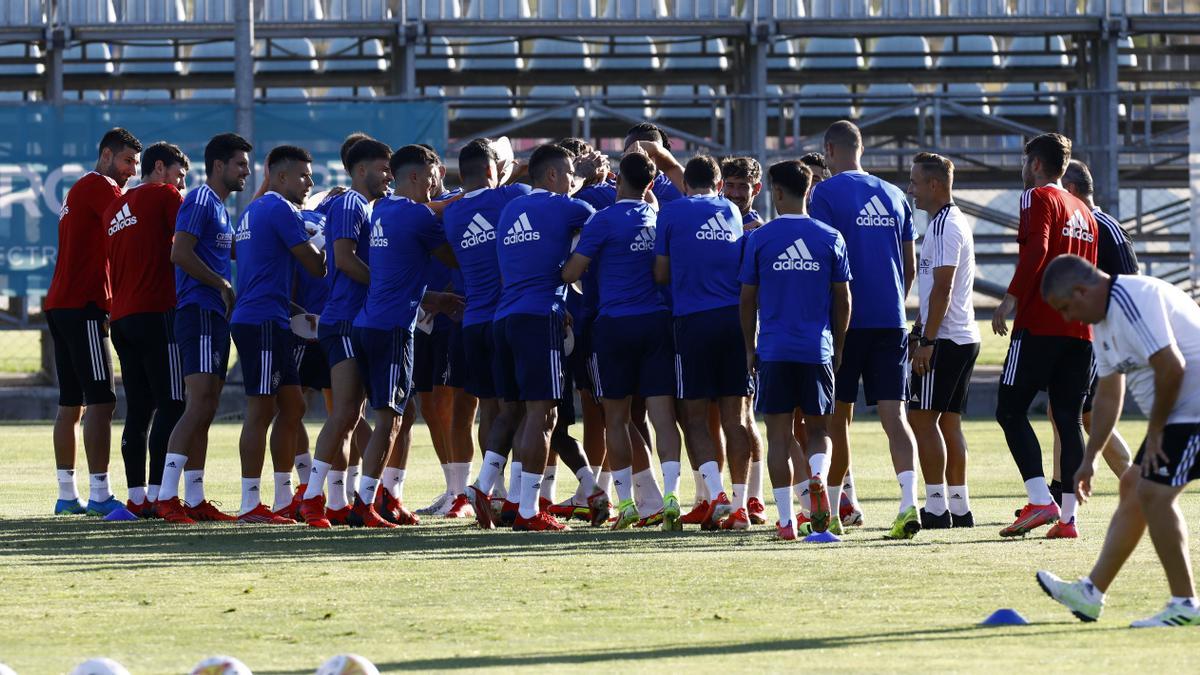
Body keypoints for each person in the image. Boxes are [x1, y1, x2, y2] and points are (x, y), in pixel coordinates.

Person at [1035, 254, 1200, 627]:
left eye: (1065, 307)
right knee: (1134, 484)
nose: (1066, 318)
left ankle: (1185, 605)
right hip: (1180, 414)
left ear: (1082, 290)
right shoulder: (1102, 320)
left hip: (1193, 412)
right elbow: (1109, 394)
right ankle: (1091, 593)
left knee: (1155, 494)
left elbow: (1172, 366)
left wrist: (1156, 430)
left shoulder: (1132, 298)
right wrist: (1090, 458)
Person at [808, 120, 922, 540]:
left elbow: (824, 260)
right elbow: (909, 267)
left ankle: (835, 512)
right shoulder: (894, 195)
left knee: (837, 419)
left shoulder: (825, 192)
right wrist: (891, 298)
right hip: (891, 319)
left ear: (830, 149)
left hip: (845, 322)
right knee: (896, 417)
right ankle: (909, 503)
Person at [562, 152, 680, 530]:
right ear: (650, 183)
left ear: (616, 180)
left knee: (616, 417)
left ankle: (626, 503)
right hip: (656, 322)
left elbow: (572, 272)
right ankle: (672, 495)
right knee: (663, 417)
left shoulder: (603, 221)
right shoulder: (657, 219)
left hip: (614, 325)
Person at [992, 133, 1099, 539]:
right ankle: (1068, 519)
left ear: (1035, 164)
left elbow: (1035, 251)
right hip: (1080, 330)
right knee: (1069, 420)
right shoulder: (1083, 211)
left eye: (1025, 162)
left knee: (1009, 409)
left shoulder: (1037, 198)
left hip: (1040, 323)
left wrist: (1010, 300)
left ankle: (1040, 499)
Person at [349, 144, 460, 528]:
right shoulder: (418, 217)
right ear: (414, 176)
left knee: (403, 413)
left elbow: (398, 275)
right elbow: (454, 257)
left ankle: (389, 496)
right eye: (433, 176)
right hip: (393, 327)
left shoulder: (384, 210)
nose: (436, 183)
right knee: (391, 418)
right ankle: (365, 504)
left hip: (368, 323)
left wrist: (437, 298)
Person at [740, 159, 851, 540]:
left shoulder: (760, 238)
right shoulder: (830, 237)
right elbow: (844, 300)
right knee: (819, 430)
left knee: (780, 437)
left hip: (773, 349)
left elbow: (746, 299)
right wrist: (837, 344)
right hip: (816, 349)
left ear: (778, 192)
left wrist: (749, 347)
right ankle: (818, 475)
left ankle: (787, 522)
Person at [493, 143, 597, 531]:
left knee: (523, 415)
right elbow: (597, 221)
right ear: (553, 176)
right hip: (540, 318)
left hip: (505, 318)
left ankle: (515, 500)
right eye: (569, 172)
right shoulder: (565, 205)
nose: (573, 179)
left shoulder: (510, 210)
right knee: (544, 415)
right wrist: (589, 178)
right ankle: (528, 511)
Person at [655, 155, 761, 530]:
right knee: (736, 419)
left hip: (692, 321)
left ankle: (714, 494)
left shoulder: (671, 212)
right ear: (719, 185)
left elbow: (661, 273)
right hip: (734, 321)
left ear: (686, 185)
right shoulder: (734, 214)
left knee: (694, 416)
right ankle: (741, 504)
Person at [156, 132, 252, 524]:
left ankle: (194, 499)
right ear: (219, 166)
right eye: (240, 164)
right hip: (197, 310)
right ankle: (166, 497)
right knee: (197, 404)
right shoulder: (199, 199)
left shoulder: (219, 207)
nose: (246, 171)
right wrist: (221, 282)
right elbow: (179, 252)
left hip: (212, 313)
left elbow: (226, 248)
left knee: (208, 405)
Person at [228, 145, 326, 524]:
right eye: (302, 175)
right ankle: (250, 504)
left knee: (293, 407)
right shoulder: (281, 209)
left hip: (271, 318)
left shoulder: (254, 209)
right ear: (280, 177)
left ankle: (284, 497)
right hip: (262, 322)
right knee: (261, 411)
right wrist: (333, 242)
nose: (310, 182)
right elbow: (314, 268)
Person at [298, 137, 393, 528]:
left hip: (350, 320)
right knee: (344, 415)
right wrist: (382, 288)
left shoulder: (361, 204)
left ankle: (331, 500)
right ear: (360, 171)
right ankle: (313, 499)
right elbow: (342, 258)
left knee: (350, 415)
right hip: (345, 321)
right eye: (382, 168)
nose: (388, 176)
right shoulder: (352, 202)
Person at [45, 127, 140, 517]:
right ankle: (100, 494)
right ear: (105, 156)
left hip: (61, 304)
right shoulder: (101, 186)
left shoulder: (81, 188)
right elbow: (132, 224)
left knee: (72, 405)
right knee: (102, 400)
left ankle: (67, 495)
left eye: (135, 163)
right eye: (127, 161)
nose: (131, 171)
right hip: (84, 306)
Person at [444, 139, 537, 528]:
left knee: (489, 410)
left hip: (472, 320)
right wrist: (512, 168)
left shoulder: (450, 214)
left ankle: (494, 492)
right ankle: (513, 496)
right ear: (490, 170)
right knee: (520, 410)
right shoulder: (512, 197)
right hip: (507, 319)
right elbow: (544, 186)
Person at [102, 141, 189, 518]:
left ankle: (135, 497)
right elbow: (189, 242)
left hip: (121, 318)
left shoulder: (115, 207)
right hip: (156, 312)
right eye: (180, 175)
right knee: (173, 403)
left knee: (139, 410)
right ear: (160, 167)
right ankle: (159, 496)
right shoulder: (166, 196)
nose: (182, 185)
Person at [1044, 159, 1138, 493]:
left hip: (1107, 336)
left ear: (1069, 190)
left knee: (1079, 413)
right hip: (1091, 336)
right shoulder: (1082, 224)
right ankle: (1059, 486)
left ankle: (1133, 481)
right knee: (1066, 410)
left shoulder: (1102, 226)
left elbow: (1130, 284)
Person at [905, 152, 981, 529]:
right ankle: (959, 506)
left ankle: (936, 508)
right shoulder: (949, 222)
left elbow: (943, 288)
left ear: (934, 185)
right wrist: (919, 331)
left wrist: (927, 341)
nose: (911, 190)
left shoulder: (944, 226)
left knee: (921, 420)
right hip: (960, 336)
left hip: (947, 339)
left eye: (916, 182)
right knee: (949, 424)